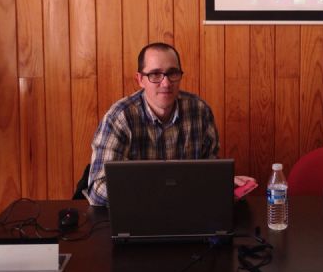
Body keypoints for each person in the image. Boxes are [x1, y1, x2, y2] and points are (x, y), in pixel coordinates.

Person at [85, 42, 254, 206]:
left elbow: (208, 170)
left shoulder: (200, 111)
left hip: (187, 212)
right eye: (155, 74)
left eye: (172, 73)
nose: (166, 83)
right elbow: (97, 189)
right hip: (139, 213)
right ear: (140, 80)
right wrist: (160, 194)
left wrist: (224, 183)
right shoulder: (120, 118)